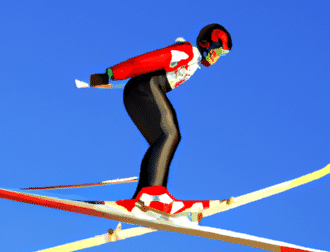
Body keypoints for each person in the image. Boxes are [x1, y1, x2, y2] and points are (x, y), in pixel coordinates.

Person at [90, 24, 233, 215]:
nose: (217, 58)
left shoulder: (193, 61)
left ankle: (142, 197)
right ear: (206, 44)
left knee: (162, 141)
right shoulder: (187, 52)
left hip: (140, 91)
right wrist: (110, 74)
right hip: (144, 89)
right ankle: (152, 195)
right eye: (217, 51)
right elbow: (148, 61)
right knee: (170, 134)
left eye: (222, 55)